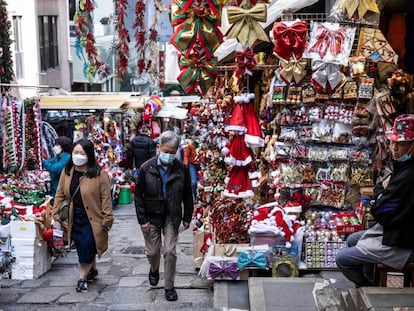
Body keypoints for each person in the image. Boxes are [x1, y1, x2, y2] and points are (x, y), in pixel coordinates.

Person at [335, 114, 414, 288]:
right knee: (352, 240)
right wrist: (381, 193)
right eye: (393, 143)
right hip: (394, 231)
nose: (394, 148)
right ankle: (370, 280)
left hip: (402, 241)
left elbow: (381, 212)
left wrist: (380, 197)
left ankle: (368, 288)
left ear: (412, 146)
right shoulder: (403, 168)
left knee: (342, 259)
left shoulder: (408, 176)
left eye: (400, 144)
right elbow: (380, 189)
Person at [135, 130, 194, 301]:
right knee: (153, 252)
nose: (168, 155)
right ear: (158, 147)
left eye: (172, 152)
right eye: (165, 151)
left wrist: (187, 217)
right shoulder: (146, 168)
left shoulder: (181, 169)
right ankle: (154, 268)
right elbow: (138, 196)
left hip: (172, 215)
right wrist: (142, 220)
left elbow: (187, 195)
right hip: (151, 215)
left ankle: (169, 286)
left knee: (170, 251)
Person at [53, 138, 114, 293]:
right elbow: (60, 193)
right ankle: (92, 269)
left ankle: (82, 278)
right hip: (74, 215)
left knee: (86, 245)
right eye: (75, 152)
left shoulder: (99, 175)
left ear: (89, 154)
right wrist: (56, 213)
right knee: (82, 246)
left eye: (81, 152)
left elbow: (106, 199)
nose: (77, 155)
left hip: (93, 218)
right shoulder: (67, 172)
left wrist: (107, 219)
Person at [183, 132, 201, 200]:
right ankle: (195, 196)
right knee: (193, 182)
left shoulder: (203, 144)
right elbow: (186, 155)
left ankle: (200, 196)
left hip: (201, 164)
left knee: (202, 180)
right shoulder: (190, 145)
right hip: (192, 164)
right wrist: (186, 165)